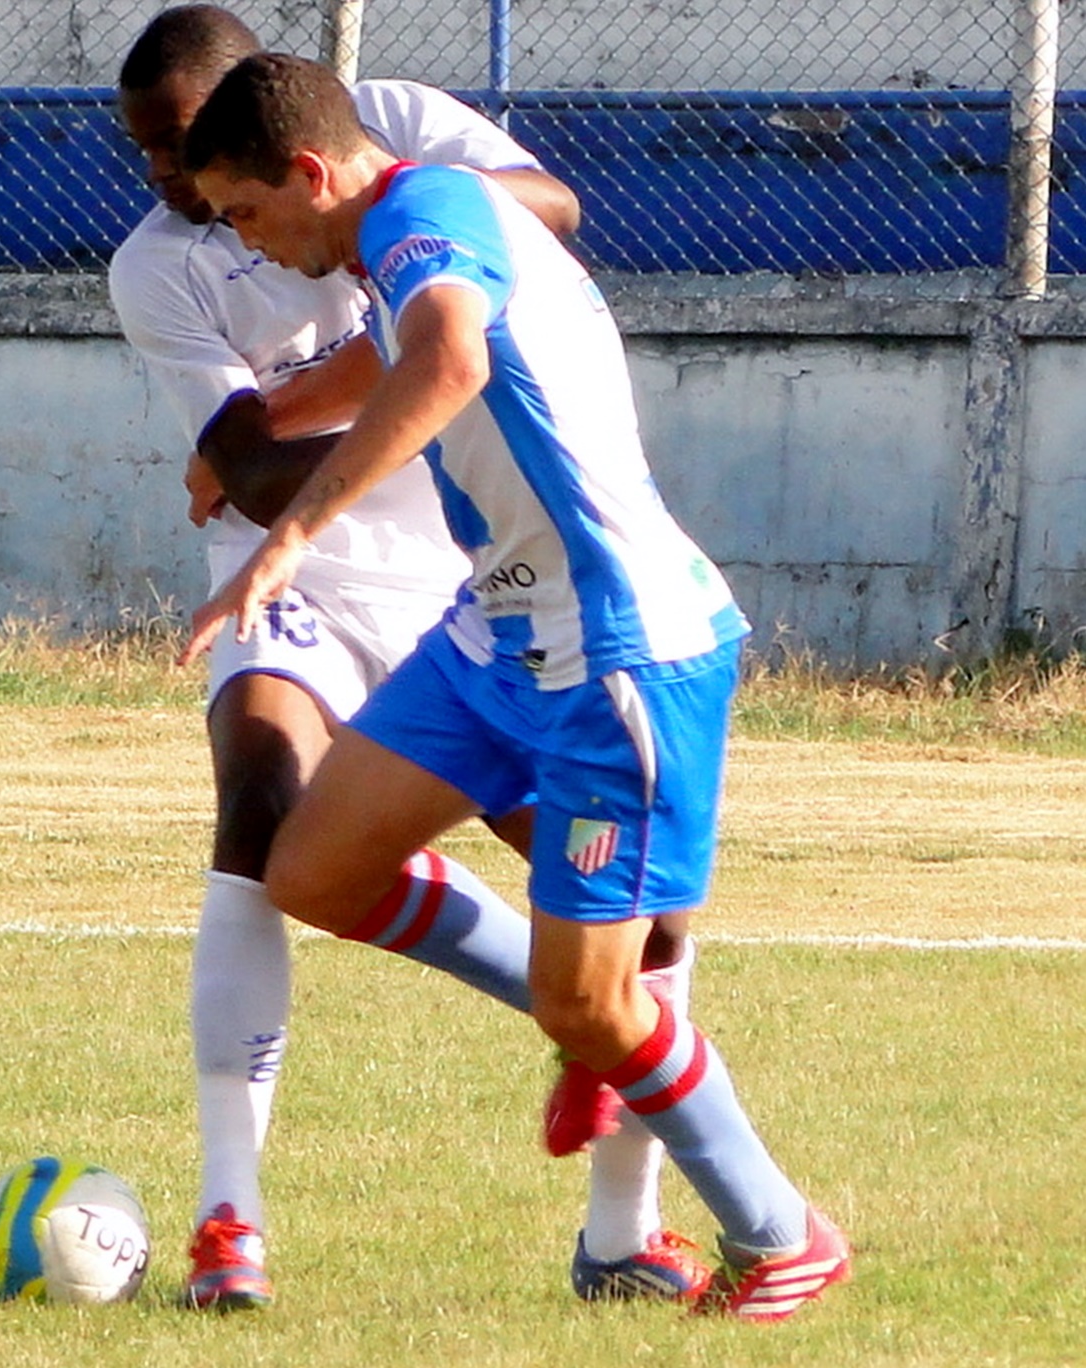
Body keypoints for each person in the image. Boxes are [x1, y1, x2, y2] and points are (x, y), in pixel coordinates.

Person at [179, 52, 853, 1321]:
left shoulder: (423, 220)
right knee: (310, 871)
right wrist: (260, 425)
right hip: (497, 635)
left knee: (591, 999)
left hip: (618, 650)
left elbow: (445, 363)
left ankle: (780, 1230)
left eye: (249, 214)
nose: (252, 247)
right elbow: (395, 351)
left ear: (311, 173)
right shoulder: (416, 219)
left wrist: (292, 531)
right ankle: (588, 1019)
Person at [108, 6, 701, 1313]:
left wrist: (391, 359)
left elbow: (543, 215)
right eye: (144, 154)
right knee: (260, 812)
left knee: (642, 915)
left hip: (470, 573)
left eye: (181, 147)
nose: (163, 180)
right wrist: (407, 392)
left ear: (268, 121)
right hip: (296, 578)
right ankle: (229, 1225)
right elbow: (252, 478)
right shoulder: (157, 263)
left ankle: (624, 1233)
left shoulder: (402, 129)